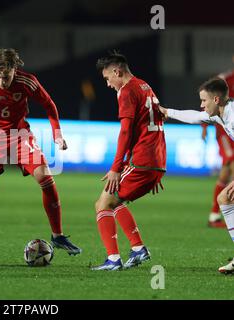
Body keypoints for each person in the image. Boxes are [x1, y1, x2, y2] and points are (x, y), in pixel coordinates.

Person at [0, 48, 81, 266]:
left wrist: (57, 134)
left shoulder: (27, 82)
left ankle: (57, 236)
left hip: (20, 137)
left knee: (46, 179)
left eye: (6, 77)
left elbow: (49, 104)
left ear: (14, 70)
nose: (2, 82)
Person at [92, 52, 166, 271]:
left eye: (107, 78)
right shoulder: (145, 86)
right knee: (116, 202)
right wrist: (155, 166)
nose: (108, 84)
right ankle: (137, 249)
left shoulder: (126, 91)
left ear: (117, 71)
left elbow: (125, 131)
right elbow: (149, 125)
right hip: (154, 160)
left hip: (143, 160)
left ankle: (114, 260)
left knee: (103, 204)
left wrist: (116, 167)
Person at [159, 77, 234, 274]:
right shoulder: (221, 114)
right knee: (224, 198)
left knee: (225, 198)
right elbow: (194, 116)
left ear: (216, 100)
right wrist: (168, 112)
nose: (201, 105)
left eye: (204, 101)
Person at [200, 58, 234, 228]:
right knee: (231, 163)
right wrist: (205, 125)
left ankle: (214, 215)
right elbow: (207, 101)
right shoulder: (224, 79)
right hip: (224, 133)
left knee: (226, 173)